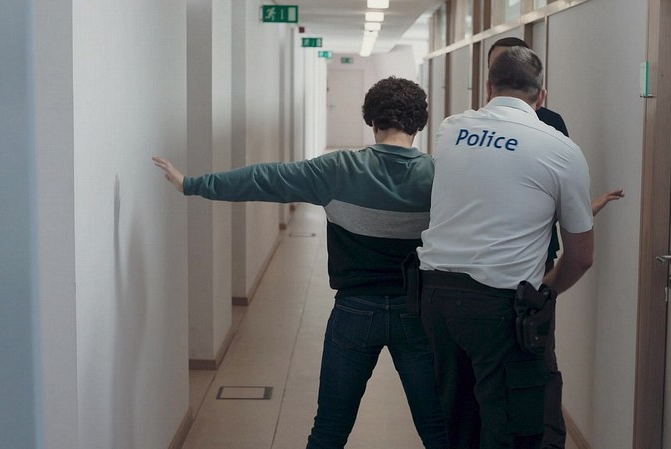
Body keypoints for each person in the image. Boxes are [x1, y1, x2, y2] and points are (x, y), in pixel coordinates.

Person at [152, 77, 449, 449]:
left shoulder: (337, 169)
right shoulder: (440, 176)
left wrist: (192, 184)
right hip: (417, 314)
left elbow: (264, 178)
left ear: (372, 120)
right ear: (419, 124)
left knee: (329, 430)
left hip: (354, 313)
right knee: (439, 429)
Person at [416, 46, 595, 449]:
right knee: (514, 429)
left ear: (488, 87)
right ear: (541, 96)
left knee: (455, 425)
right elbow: (581, 255)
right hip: (501, 307)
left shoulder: (450, 130)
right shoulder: (560, 150)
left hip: (436, 301)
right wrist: (543, 293)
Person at [488, 37, 623, 449]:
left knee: (537, 360)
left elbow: (559, 194)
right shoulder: (474, 128)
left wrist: (584, 210)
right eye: (500, 68)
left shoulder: (550, 126)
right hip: (485, 268)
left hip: (535, 266)